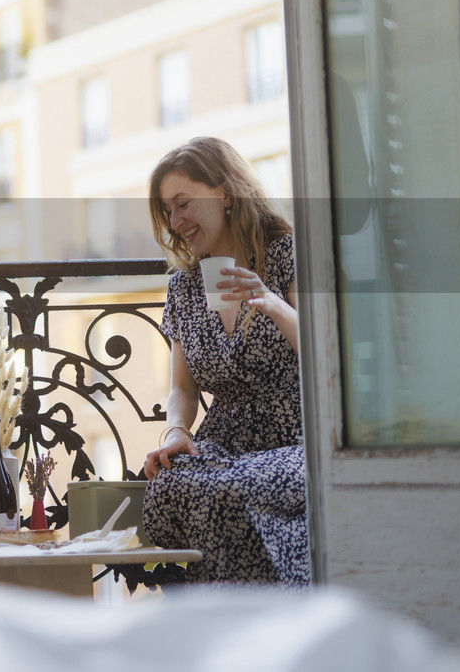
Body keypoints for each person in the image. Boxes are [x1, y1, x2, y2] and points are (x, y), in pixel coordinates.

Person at [140, 137, 309, 586]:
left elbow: (326, 353)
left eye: (183, 203)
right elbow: (183, 389)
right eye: (167, 211)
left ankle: (249, 622)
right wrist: (176, 431)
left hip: (298, 440)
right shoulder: (184, 289)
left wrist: (269, 301)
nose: (176, 222)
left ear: (226, 193)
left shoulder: (288, 255)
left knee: (224, 494)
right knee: (172, 484)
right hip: (224, 446)